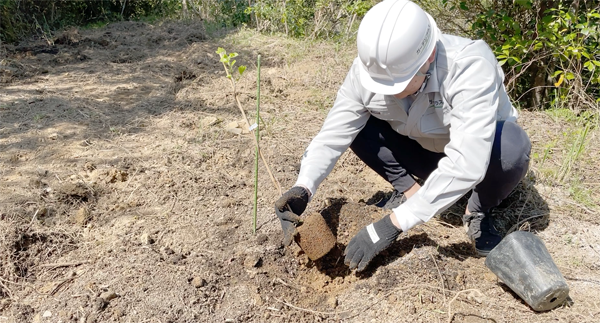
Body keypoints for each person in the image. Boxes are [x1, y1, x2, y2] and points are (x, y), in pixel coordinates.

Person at [274, 0, 531, 272]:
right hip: (423, 152)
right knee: (358, 127)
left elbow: (468, 160)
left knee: (512, 146)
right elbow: (333, 133)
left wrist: (394, 224)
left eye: (398, 83)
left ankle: (476, 210)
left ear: (429, 56)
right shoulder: (369, 70)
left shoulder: (468, 66)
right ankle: (412, 192)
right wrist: (304, 186)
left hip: (485, 158)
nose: (389, 92)